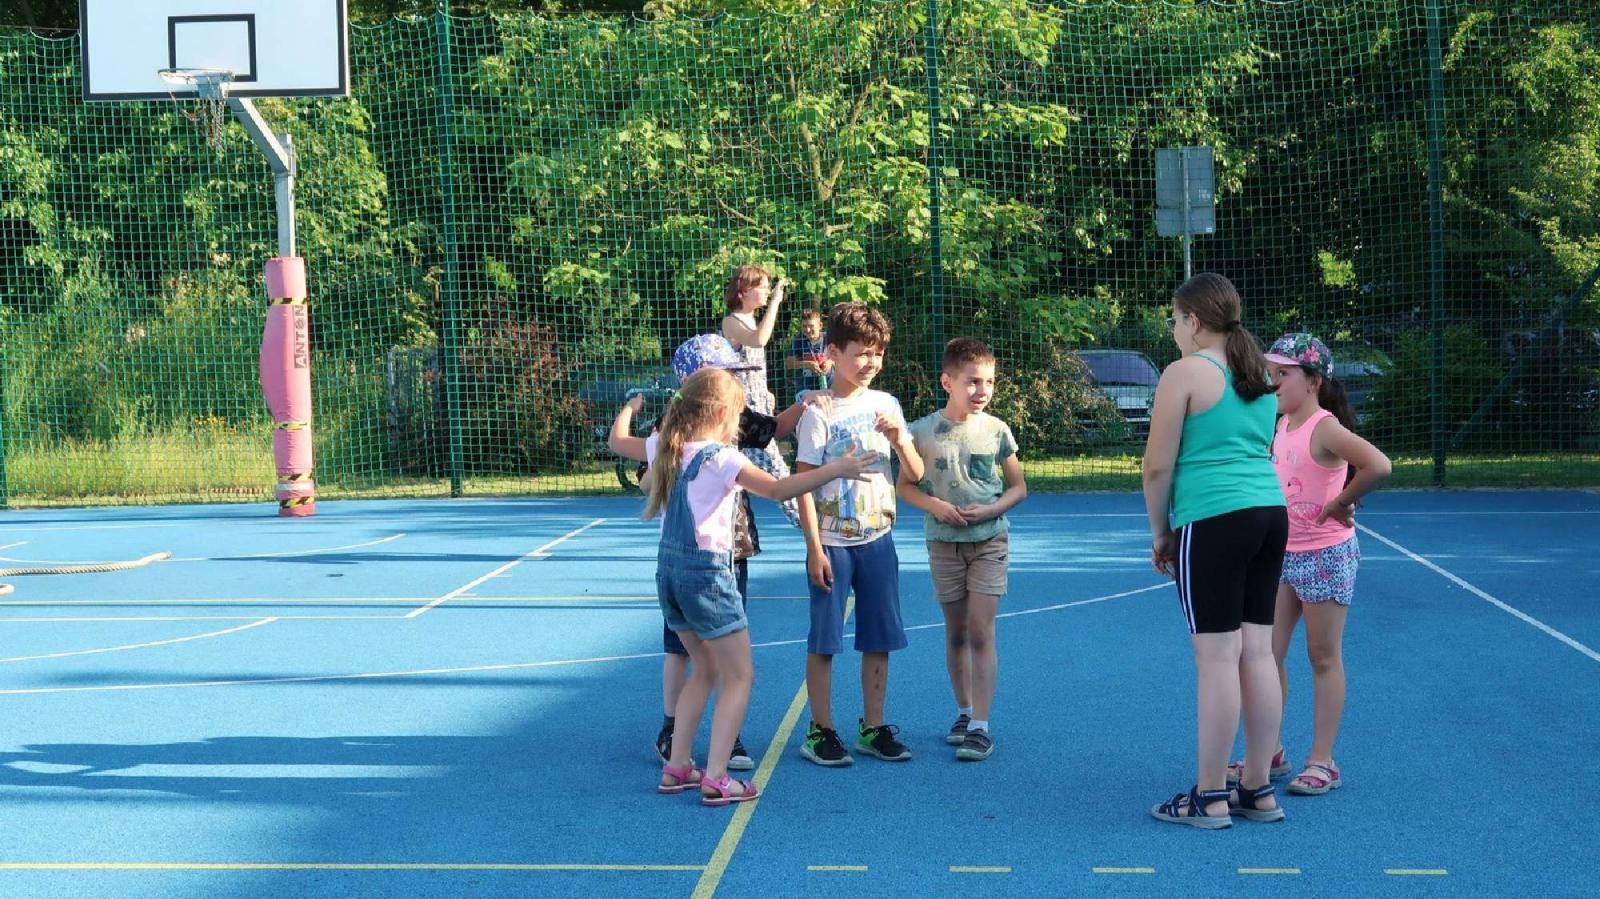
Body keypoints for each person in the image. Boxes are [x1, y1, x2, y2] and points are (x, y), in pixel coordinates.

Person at [616, 367, 876, 805]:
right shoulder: (722, 458)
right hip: (707, 576)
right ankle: (716, 776)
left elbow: (617, 442)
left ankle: (678, 765)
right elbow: (778, 490)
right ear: (721, 413)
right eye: (738, 415)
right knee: (740, 675)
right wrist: (836, 469)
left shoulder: (665, 446)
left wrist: (628, 409)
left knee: (705, 668)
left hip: (670, 575)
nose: (740, 423)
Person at [1143, 273, 1289, 829]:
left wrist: (1161, 532)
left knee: (1216, 658)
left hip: (1215, 517)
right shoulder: (1258, 375)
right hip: (1269, 515)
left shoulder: (1184, 373)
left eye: (1175, 319)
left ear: (1194, 321)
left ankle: (1209, 797)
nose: (1174, 329)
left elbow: (1157, 466)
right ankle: (1256, 788)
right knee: (1257, 652)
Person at [1235, 333, 1391, 796]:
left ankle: (1323, 760)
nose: (1274, 382)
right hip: (1282, 556)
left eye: (1283, 374)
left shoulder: (1324, 427)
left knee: (1322, 657)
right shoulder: (1278, 423)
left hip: (1325, 557)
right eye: (1271, 374)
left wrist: (1342, 501)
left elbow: (1378, 465)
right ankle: (1270, 749)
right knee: (1265, 655)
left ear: (1314, 381)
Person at [793, 302, 924, 766]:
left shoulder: (886, 405)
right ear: (832, 353)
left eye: (878, 353)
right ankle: (820, 729)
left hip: (878, 540)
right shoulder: (819, 412)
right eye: (861, 353)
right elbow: (803, 484)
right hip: (831, 541)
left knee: (879, 636)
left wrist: (900, 440)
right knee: (825, 639)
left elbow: (916, 472)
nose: (871, 362)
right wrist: (813, 547)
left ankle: (873, 726)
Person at [898, 337, 1027, 762]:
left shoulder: (996, 430)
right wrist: (935, 504)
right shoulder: (920, 431)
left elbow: (1018, 488)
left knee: (979, 628)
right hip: (943, 544)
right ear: (947, 381)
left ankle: (981, 726)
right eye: (972, 382)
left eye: (989, 382)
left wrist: (990, 509)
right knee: (955, 632)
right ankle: (964, 710)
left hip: (989, 540)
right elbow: (905, 488)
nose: (982, 390)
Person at [721, 264, 787, 415]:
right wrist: (775, 302)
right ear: (743, 292)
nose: (768, 292)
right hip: (742, 408)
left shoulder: (752, 321)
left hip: (760, 404)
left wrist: (764, 392)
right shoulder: (730, 322)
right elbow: (759, 340)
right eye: (763, 287)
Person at [787, 307, 831, 392]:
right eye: (804, 326)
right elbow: (789, 363)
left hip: (830, 386)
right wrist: (807, 364)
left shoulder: (829, 338)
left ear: (820, 326)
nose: (807, 330)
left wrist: (830, 362)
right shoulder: (799, 340)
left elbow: (842, 357)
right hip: (806, 389)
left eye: (811, 326)